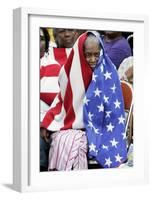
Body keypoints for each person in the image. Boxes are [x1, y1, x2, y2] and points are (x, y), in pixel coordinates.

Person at [41, 31, 127, 170]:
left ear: (102, 52)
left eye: (96, 54)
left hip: (103, 128)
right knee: (65, 141)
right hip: (74, 126)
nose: (93, 59)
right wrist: (48, 120)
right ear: (81, 52)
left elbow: (113, 110)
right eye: (88, 54)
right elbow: (62, 99)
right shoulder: (68, 72)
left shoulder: (109, 73)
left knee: (75, 142)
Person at [40, 28, 80, 171]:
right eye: (62, 31)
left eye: (71, 30)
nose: (67, 34)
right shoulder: (47, 60)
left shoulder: (85, 56)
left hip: (72, 120)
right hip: (49, 119)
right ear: (55, 34)